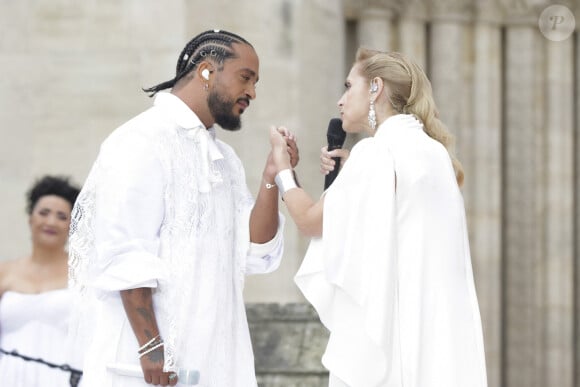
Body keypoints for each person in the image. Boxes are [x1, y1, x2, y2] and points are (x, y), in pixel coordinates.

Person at [67, 29, 297, 387]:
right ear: (207, 71)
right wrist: (152, 348)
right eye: (245, 78)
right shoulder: (141, 140)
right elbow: (125, 252)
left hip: (216, 361)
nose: (252, 93)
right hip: (148, 364)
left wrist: (272, 174)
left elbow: (254, 252)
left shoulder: (226, 160)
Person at [268, 48, 488, 387]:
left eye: (348, 86)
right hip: (438, 343)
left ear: (375, 87)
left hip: (395, 343)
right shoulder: (435, 154)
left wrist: (282, 169)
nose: (341, 101)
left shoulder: (376, 152)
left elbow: (310, 222)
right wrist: (346, 176)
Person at [0, 175, 82, 386]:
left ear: (72, 226)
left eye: (62, 216)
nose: (51, 222)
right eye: (44, 213)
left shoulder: (84, 274)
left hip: (64, 376)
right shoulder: (5, 272)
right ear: (30, 218)